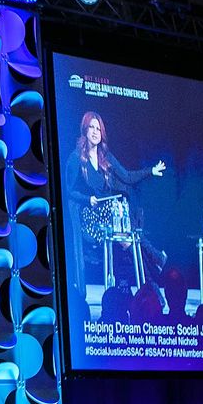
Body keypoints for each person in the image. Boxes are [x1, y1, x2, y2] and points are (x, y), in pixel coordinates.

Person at [64, 111, 167, 296]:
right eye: (91, 128)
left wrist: (151, 170)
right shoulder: (76, 158)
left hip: (108, 215)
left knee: (130, 240)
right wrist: (88, 199)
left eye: (98, 128)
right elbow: (69, 191)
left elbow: (127, 176)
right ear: (85, 130)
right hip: (89, 218)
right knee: (128, 236)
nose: (95, 132)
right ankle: (156, 259)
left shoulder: (106, 157)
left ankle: (154, 292)